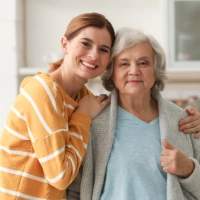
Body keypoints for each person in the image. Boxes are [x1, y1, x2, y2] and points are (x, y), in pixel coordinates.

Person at [67, 28, 200, 200]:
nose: (134, 71)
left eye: (143, 63)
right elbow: (74, 190)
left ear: (155, 71)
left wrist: (189, 170)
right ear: (112, 73)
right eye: (124, 64)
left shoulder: (184, 121)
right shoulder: (93, 120)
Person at [0, 12, 115, 199]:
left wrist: (178, 118)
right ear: (65, 44)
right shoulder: (42, 92)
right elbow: (60, 177)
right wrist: (83, 117)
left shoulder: (85, 99)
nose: (94, 55)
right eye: (86, 44)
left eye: (103, 49)